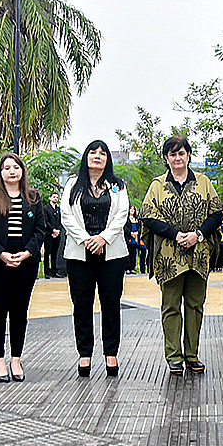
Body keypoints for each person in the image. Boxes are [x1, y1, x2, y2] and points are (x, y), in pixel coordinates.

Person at [140, 135, 222, 376]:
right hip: (168, 257)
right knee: (171, 306)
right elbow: (149, 217)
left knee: (195, 305)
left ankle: (192, 355)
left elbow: (216, 213)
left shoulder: (204, 182)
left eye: (182, 153)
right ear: (166, 158)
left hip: (198, 254)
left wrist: (198, 234)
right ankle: (174, 355)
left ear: (189, 155)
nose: (178, 158)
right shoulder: (157, 185)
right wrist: (175, 234)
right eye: (172, 154)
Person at [61, 140, 129, 378]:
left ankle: (111, 354)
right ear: (86, 157)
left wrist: (103, 239)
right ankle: (84, 354)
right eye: (93, 152)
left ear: (108, 159)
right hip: (79, 254)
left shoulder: (118, 185)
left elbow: (122, 215)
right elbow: (66, 216)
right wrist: (87, 239)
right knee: (81, 305)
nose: (97, 156)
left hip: (111, 254)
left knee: (111, 304)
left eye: (102, 153)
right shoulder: (72, 184)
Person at [0, 153, 46, 383]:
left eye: (16, 167)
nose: (12, 171)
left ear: (22, 171)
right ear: (0, 172)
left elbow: (40, 230)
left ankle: (16, 359)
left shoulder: (33, 197)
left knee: (19, 312)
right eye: (7, 168)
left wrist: (26, 253)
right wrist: (2, 255)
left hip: (25, 264)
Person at [43, 191, 62, 278]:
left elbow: (60, 221)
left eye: (57, 197)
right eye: (54, 197)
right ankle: (47, 271)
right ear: (50, 198)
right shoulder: (46, 209)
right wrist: (52, 230)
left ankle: (54, 271)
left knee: (55, 253)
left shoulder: (58, 209)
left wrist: (58, 230)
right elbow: (45, 221)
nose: (55, 199)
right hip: (49, 234)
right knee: (47, 253)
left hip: (57, 234)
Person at [123, 204, 141, 274]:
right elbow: (125, 228)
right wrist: (130, 233)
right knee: (128, 253)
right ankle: (127, 268)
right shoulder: (126, 219)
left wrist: (137, 233)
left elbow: (139, 227)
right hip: (128, 238)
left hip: (135, 238)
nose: (132, 211)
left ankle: (133, 268)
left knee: (134, 253)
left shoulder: (136, 219)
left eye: (133, 209)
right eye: (131, 209)